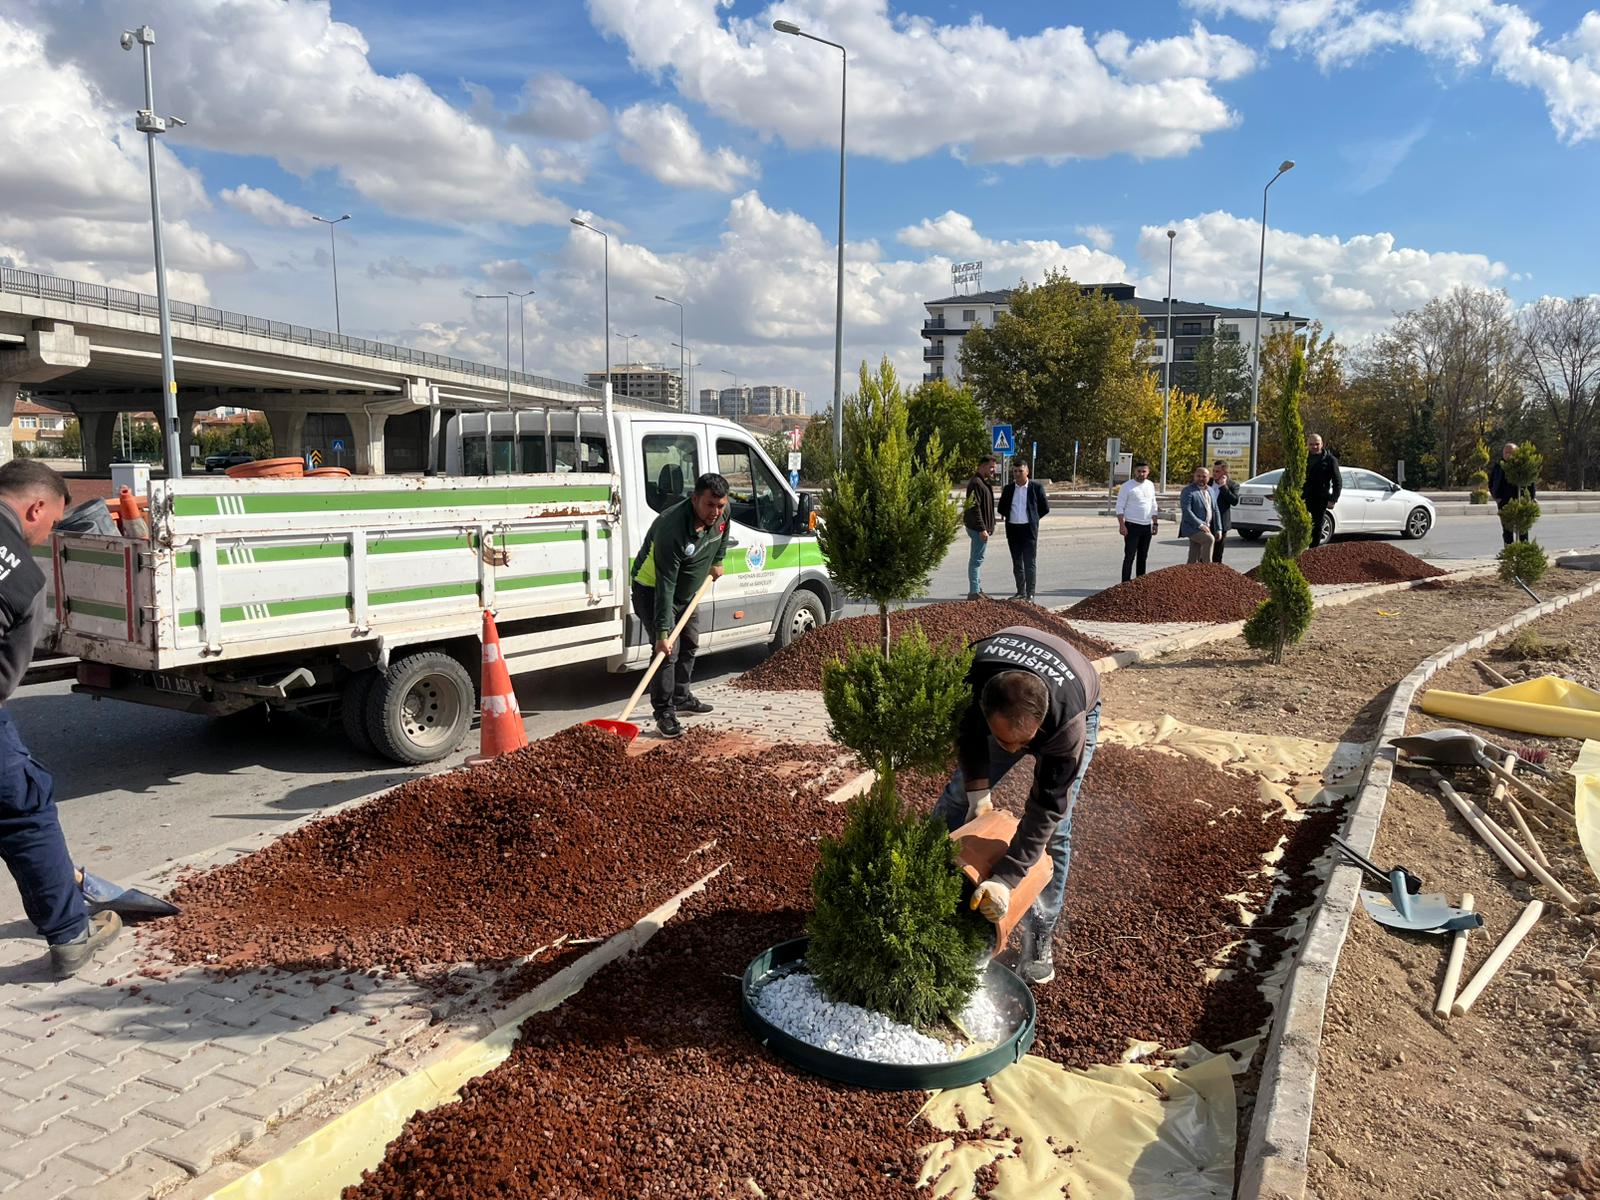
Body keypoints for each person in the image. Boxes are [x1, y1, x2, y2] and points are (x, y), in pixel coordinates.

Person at [0, 461, 123, 978]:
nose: (45, 533)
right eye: (50, 523)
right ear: (35, 508)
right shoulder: (19, 574)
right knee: (24, 811)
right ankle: (71, 934)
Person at [930, 626, 1101, 985]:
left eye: (1022, 744)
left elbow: (1046, 808)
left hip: (1079, 692)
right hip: (998, 684)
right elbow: (969, 735)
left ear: (1039, 728)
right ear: (984, 707)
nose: (1013, 752)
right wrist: (979, 796)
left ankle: (1040, 933)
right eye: (1004, 741)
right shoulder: (969, 677)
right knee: (959, 795)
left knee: (1057, 832)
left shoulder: (1066, 728)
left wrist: (1006, 880)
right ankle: (924, 883)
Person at [630, 472, 730, 739]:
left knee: (690, 642)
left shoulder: (722, 513)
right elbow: (665, 585)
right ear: (695, 498)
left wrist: (717, 560)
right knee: (667, 653)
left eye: (720, 505)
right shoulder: (671, 529)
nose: (716, 512)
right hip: (652, 590)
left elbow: (723, 532)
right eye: (710, 505)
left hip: (687, 593)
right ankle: (664, 712)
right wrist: (663, 633)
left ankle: (682, 696)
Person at [998, 463, 1050, 601]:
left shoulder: (1036, 488)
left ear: (1027, 471)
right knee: (1017, 562)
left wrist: (1033, 518)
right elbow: (1001, 507)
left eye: (1020, 471)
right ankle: (1020, 591)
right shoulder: (1009, 489)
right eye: (1014, 471)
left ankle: (1030, 593)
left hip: (1029, 530)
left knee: (1029, 562)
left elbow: (1045, 508)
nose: (1017, 474)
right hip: (1013, 529)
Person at [1114, 458, 1159, 582]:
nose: (1141, 474)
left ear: (1148, 472)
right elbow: (1119, 507)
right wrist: (1122, 525)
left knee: (1142, 557)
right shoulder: (1127, 486)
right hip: (1132, 526)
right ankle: (1125, 583)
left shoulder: (1150, 485)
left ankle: (1140, 582)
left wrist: (1155, 523)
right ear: (1135, 471)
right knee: (1129, 556)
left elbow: (1153, 505)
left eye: (1144, 471)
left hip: (1146, 526)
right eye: (1139, 471)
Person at [962, 454, 998, 600]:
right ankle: (974, 592)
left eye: (994, 468)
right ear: (982, 466)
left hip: (981, 528)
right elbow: (974, 508)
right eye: (991, 467)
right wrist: (982, 528)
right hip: (977, 529)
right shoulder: (976, 483)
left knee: (978, 558)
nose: (993, 471)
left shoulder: (982, 482)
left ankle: (977, 588)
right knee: (976, 560)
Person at [1487, 442, 1534, 545]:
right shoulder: (1499, 466)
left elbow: (1531, 483)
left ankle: (1523, 549)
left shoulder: (1522, 466)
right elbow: (1491, 482)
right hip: (1504, 501)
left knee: (1522, 528)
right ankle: (1509, 550)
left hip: (1520, 500)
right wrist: (1495, 496)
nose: (1507, 455)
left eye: (1510, 452)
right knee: (1506, 528)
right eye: (1505, 452)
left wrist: (1531, 498)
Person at [1303, 434, 1342, 548]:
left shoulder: (1330, 460)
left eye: (1317, 444)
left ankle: (1313, 550)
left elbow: (1337, 481)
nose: (1314, 446)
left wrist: (1333, 499)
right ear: (1307, 445)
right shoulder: (1303, 458)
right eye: (1311, 444)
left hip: (1320, 498)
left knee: (1317, 525)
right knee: (1301, 523)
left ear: (1322, 444)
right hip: (1303, 496)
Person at [1179, 465, 1219, 564]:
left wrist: (1219, 529)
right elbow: (1187, 511)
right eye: (1198, 476)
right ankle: (1207, 568)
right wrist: (1200, 525)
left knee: (1194, 553)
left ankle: (1189, 574)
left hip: (1206, 526)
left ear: (1209, 477)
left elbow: (1215, 510)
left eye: (1204, 476)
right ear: (1194, 476)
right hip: (1192, 527)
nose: (1201, 478)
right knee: (1209, 539)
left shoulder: (1211, 490)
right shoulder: (1188, 491)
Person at [1210, 460, 1239, 563]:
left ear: (1225, 473)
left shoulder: (1232, 485)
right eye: (1213, 470)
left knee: (1217, 554)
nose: (1214, 473)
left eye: (1217, 471)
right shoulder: (1207, 482)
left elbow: (1234, 501)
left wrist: (1223, 487)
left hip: (1221, 523)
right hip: (1206, 522)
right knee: (1204, 552)